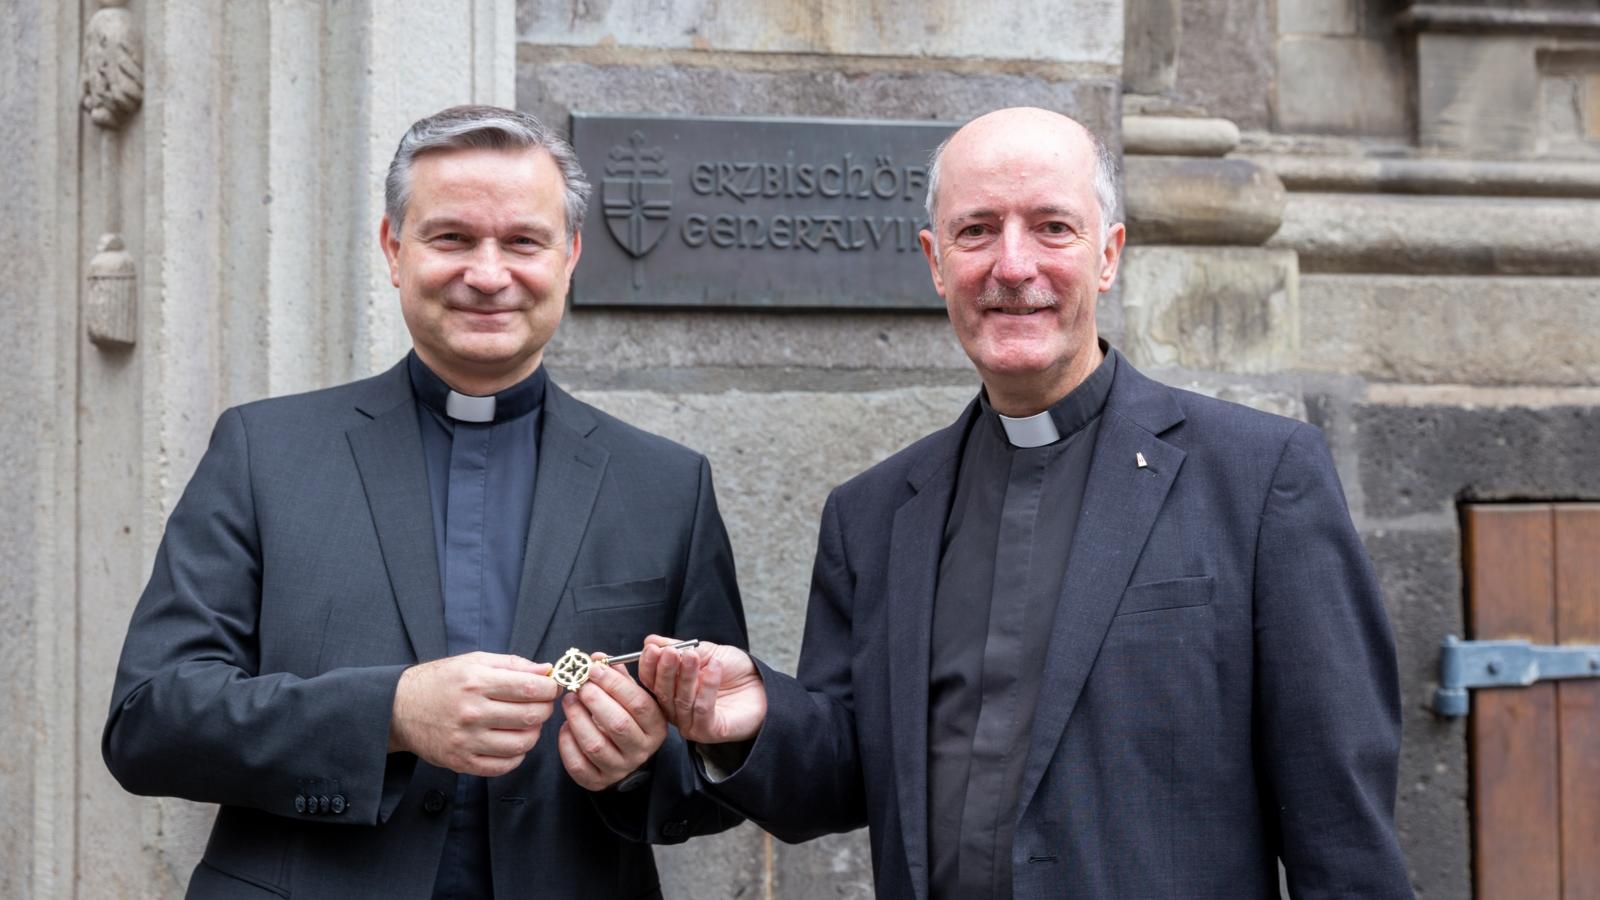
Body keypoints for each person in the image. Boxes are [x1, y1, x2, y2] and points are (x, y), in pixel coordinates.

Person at [640, 107, 1413, 898]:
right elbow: (846, 776)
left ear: (1107, 256)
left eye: (1051, 227)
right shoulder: (871, 516)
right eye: (976, 231)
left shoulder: (1258, 479)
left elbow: (1343, 834)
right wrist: (754, 721)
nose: (1013, 266)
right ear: (936, 263)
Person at [103, 105, 747, 899]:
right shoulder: (263, 452)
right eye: (451, 238)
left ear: (570, 255)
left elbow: (720, 767)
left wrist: (642, 764)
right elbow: (149, 722)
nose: (486, 272)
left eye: (522, 241)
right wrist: (392, 715)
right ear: (393, 249)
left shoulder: (666, 485)